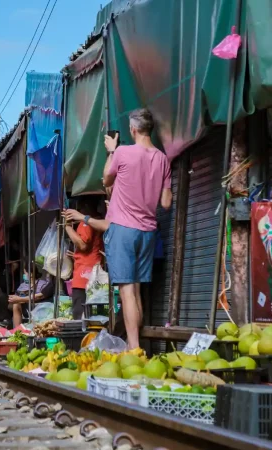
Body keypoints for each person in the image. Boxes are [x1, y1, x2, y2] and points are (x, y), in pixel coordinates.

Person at [102, 108, 172, 349]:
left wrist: (111, 151)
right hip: (148, 231)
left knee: (127, 291)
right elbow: (166, 202)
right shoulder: (162, 159)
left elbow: (106, 180)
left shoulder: (122, 152)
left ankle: (133, 349)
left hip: (123, 228)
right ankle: (138, 347)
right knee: (137, 291)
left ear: (132, 129)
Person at [64, 198, 104, 320]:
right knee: (95, 317)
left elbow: (83, 245)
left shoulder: (86, 222)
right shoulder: (99, 221)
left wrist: (67, 227)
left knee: (80, 316)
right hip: (95, 275)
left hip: (83, 277)